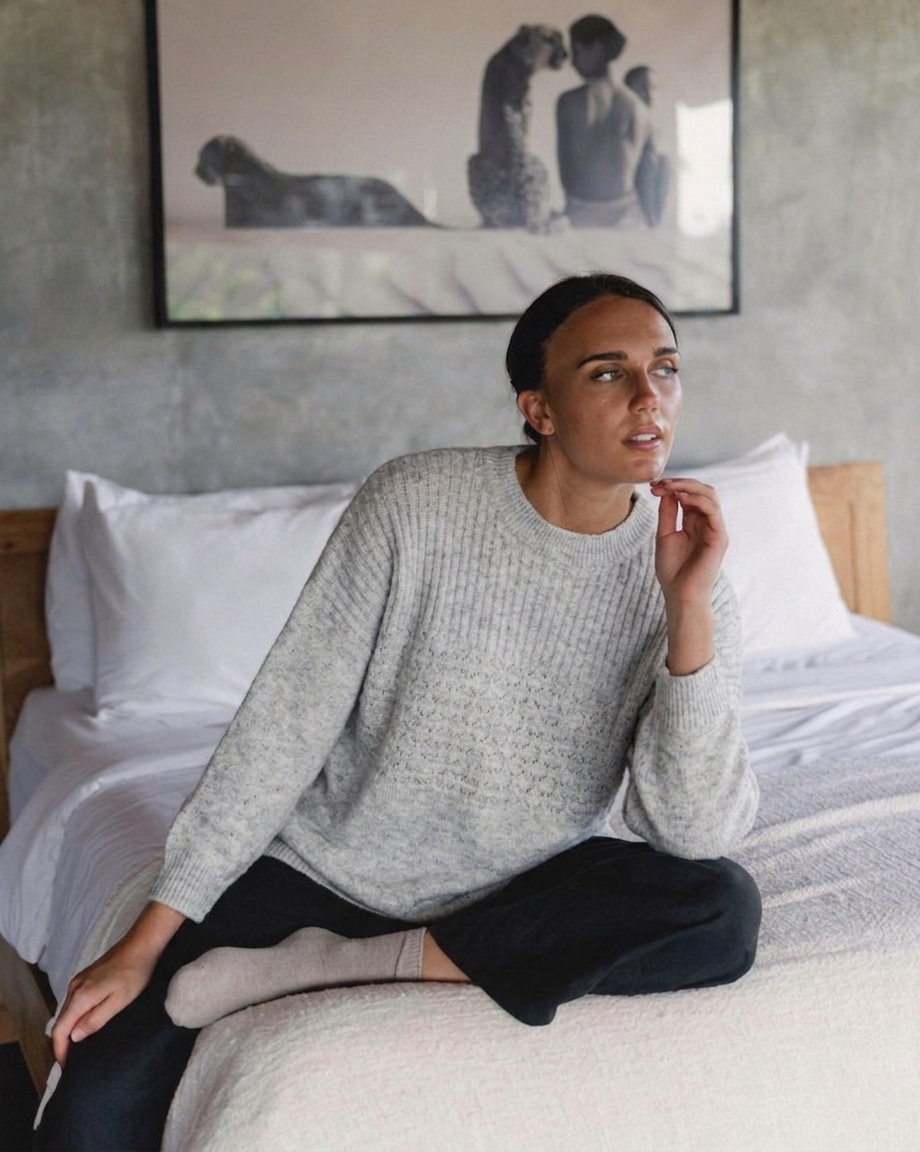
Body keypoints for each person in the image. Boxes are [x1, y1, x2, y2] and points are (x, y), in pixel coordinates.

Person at [37, 274, 761, 1151]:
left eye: (667, 368)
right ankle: (364, 955)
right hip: (324, 874)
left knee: (722, 909)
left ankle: (339, 969)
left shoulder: (690, 578)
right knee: (97, 1103)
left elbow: (690, 829)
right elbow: (282, 726)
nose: (650, 397)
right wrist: (148, 936)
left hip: (518, 890)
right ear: (538, 408)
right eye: (608, 373)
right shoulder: (415, 503)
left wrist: (687, 609)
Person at [556, 16, 663, 227]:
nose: (573, 63)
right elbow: (648, 173)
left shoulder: (568, 103)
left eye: (577, 52)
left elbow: (567, 169)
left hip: (582, 217)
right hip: (625, 221)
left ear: (596, 48)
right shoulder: (639, 108)